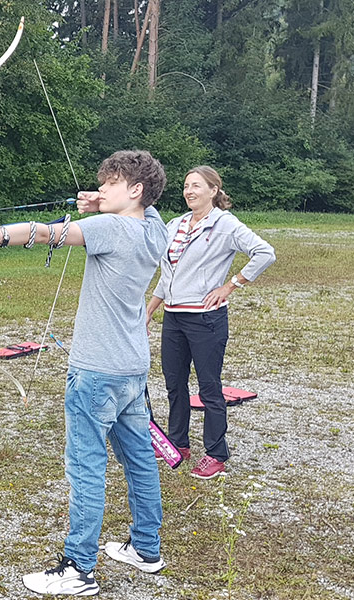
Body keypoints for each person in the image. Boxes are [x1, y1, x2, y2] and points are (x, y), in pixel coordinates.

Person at [0, 150, 170, 596]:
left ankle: (78, 568)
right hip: (132, 367)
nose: (101, 188)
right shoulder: (154, 228)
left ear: (136, 190)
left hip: (97, 371)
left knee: (87, 464)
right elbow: (146, 209)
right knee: (139, 460)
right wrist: (104, 203)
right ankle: (146, 548)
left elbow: (45, 232)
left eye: (111, 183)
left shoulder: (110, 228)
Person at [146, 166, 275, 480]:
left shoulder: (225, 225)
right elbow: (168, 275)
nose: (189, 191)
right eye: (186, 186)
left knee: (209, 388)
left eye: (197, 186)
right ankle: (178, 443)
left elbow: (264, 253)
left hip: (206, 319)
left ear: (214, 190)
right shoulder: (175, 224)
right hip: (174, 318)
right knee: (174, 384)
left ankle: (216, 454)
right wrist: (149, 310)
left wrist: (230, 285)